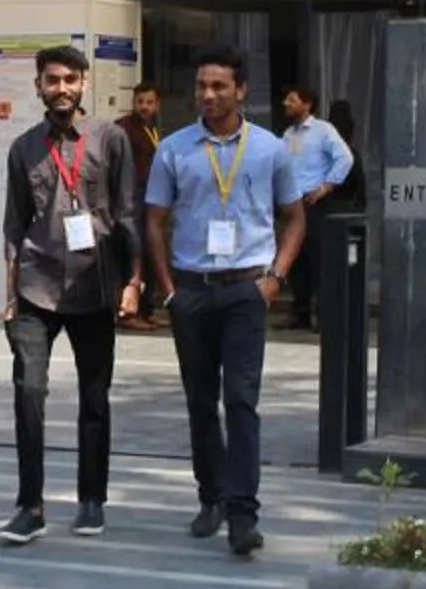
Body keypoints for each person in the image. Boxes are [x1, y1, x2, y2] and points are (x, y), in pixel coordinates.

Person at [146, 48, 306, 557]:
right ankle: (210, 497)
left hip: (245, 290)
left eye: (218, 86)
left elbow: (295, 216)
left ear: (241, 91)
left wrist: (275, 277)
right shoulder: (174, 149)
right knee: (200, 401)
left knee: (240, 400)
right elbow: (154, 220)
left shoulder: (269, 149)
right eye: (201, 86)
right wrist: (168, 289)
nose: (208, 95)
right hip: (192, 289)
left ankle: (243, 513)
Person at [0, 44, 142, 544]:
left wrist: (134, 281)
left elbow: (128, 213)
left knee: (94, 397)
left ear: (84, 83)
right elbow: (14, 225)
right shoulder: (23, 148)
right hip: (35, 286)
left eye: (69, 80)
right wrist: (10, 295)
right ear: (38, 85)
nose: (61, 89)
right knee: (28, 393)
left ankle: (91, 500)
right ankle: (29, 506)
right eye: (52, 80)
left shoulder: (111, 139)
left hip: (94, 286)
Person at [276, 84, 357, 332]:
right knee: (296, 261)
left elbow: (345, 157)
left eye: (292, 99)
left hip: (313, 205)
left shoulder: (323, 130)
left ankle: (324, 316)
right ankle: (300, 313)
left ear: (307, 104)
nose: (286, 104)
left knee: (318, 260)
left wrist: (327, 185)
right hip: (292, 205)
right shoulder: (288, 134)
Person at [117, 82, 165, 327]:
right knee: (132, 253)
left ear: (157, 105)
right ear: (133, 103)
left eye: (149, 102)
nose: (144, 107)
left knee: (150, 252)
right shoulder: (123, 128)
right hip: (131, 198)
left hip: (151, 197)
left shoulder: (154, 128)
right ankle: (128, 312)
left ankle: (147, 309)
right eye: (140, 102)